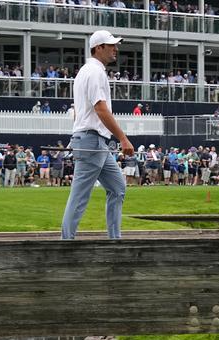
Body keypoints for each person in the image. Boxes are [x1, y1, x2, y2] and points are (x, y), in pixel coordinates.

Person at [61, 30, 133, 240]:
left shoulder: (88, 71)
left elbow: (82, 111)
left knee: (118, 188)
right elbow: (100, 109)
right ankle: (66, 242)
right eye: (111, 45)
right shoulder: (95, 72)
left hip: (94, 140)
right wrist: (123, 137)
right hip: (92, 140)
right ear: (98, 48)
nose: (115, 49)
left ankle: (115, 239)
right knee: (80, 194)